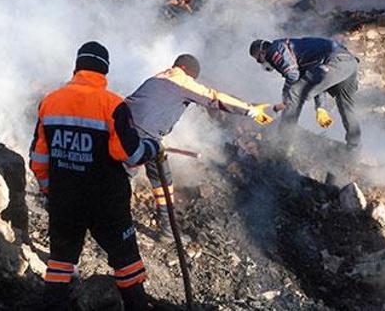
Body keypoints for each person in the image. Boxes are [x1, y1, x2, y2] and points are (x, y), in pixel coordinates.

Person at [29, 42, 162, 310]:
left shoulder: (50, 102)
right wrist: (153, 147)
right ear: (105, 71)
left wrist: (49, 191)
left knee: (60, 263)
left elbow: (38, 159)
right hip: (107, 203)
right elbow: (131, 155)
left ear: (77, 66)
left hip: (65, 199)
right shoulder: (113, 105)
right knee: (126, 263)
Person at [126, 54, 274, 241]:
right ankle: (110, 222)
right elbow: (214, 97)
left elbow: (140, 106)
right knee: (127, 177)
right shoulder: (181, 80)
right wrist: (250, 110)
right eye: (193, 77)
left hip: (127, 129)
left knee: (162, 178)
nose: (192, 81)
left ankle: (166, 229)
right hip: (144, 135)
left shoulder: (156, 78)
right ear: (188, 70)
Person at [249, 37, 361, 149]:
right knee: (346, 108)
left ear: (262, 53)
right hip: (350, 63)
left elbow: (293, 75)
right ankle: (353, 149)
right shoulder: (296, 53)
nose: (262, 63)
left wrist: (286, 97)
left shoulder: (274, 50)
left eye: (259, 60)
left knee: (293, 93)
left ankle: (284, 143)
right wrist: (321, 108)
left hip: (335, 62)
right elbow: (316, 80)